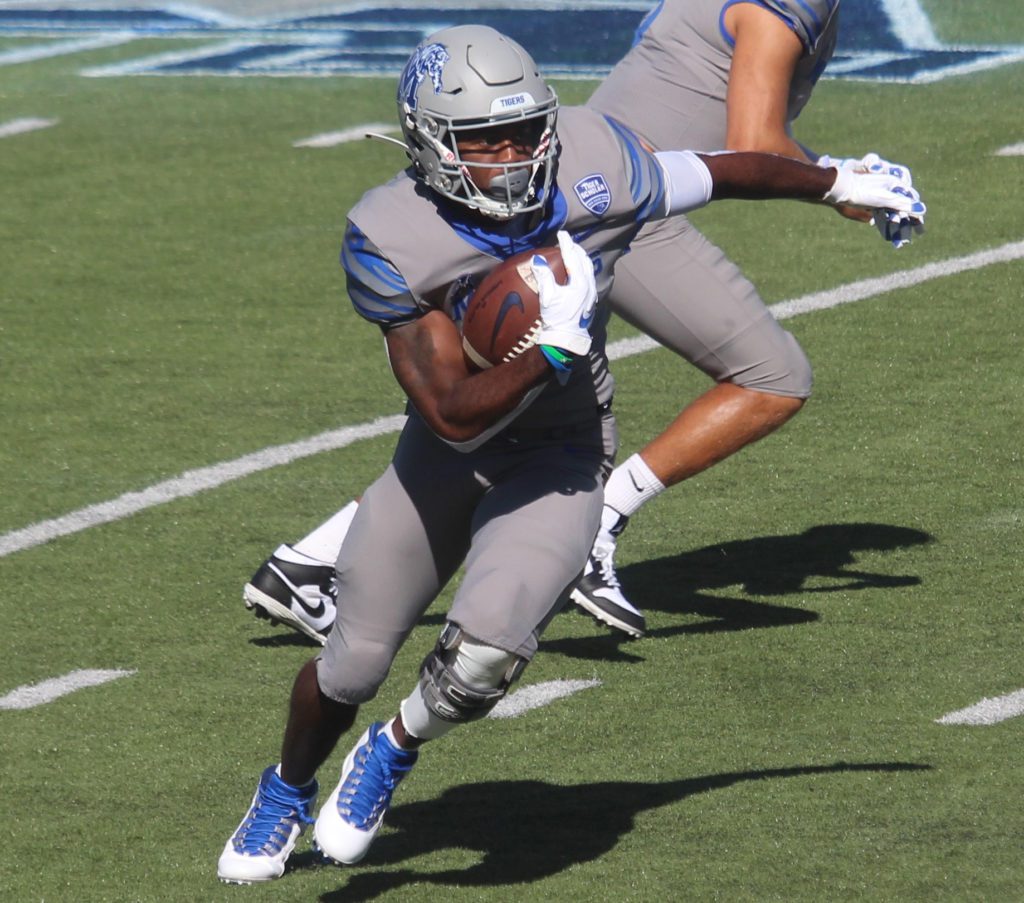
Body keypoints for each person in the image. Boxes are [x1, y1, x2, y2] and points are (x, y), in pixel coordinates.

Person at [216, 24, 923, 884]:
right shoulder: (390, 232)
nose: (513, 156)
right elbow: (446, 412)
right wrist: (542, 350)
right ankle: (285, 788)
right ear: (431, 142)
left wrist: (836, 180)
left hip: (562, 451)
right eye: (484, 140)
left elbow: (723, 170)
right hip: (448, 455)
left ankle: (391, 748)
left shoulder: (595, 159)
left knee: (481, 661)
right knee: (355, 658)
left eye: (524, 132)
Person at [241, 0, 920, 645]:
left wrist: (837, 178)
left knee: (512, 414)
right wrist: (844, 186)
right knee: (772, 377)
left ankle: (309, 561)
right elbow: (754, 141)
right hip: (617, 197)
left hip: (590, 177)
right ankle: (601, 519)